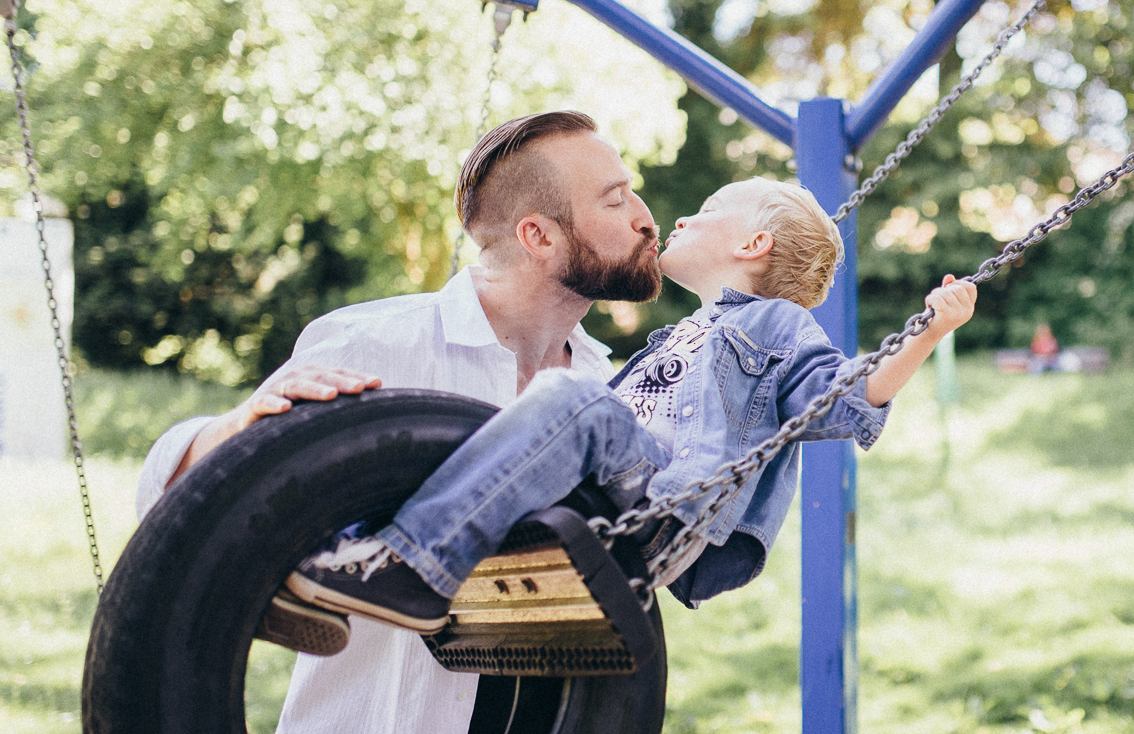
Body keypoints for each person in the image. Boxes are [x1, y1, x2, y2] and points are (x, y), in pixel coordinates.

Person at [134, 111, 670, 734]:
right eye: (615, 198)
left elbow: (607, 571)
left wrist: (629, 718)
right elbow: (189, 504)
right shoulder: (380, 343)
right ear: (538, 236)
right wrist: (234, 432)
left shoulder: (607, 393)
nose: (644, 217)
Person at [280, 176, 979, 639]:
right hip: (603, 495)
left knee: (569, 399)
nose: (677, 216)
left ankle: (408, 568)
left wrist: (931, 329)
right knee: (486, 444)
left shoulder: (771, 325)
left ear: (751, 244)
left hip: (663, 508)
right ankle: (339, 563)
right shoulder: (680, 335)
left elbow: (849, 399)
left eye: (704, 213)